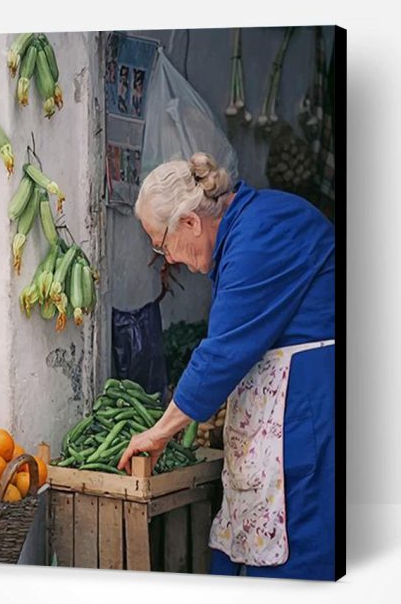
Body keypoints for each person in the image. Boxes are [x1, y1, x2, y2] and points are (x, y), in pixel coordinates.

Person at [117, 152, 335, 581]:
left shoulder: (262, 233)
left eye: (161, 244)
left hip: (307, 406)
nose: (168, 258)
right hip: (281, 411)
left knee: (301, 550)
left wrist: (159, 433)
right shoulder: (248, 229)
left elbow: (222, 353)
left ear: (191, 223)